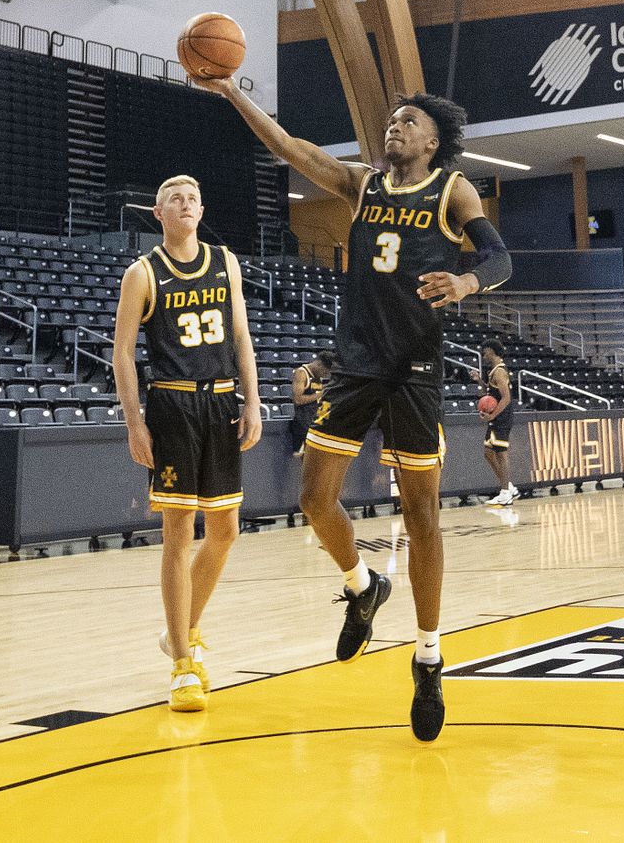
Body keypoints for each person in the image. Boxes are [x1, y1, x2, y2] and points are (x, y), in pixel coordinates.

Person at [197, 78, 512, 742]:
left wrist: (465, 279)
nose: (394, 127)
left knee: (421, 514)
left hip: (416, 369)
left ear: (432, 140)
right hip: (358, 363)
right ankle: (363, 585)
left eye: (408, 122)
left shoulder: (452, 190)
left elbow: (499, 255)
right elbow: (286, 145)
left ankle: (428, 657)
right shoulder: (361, 184)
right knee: (315, 500)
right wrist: (230, 91)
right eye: (390, 120)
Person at [111, 175, 263, 713]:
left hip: (222, 401)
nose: (187, 204)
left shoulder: (226, 261)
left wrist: (253, 399)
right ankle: (181, 662)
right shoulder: (142, 273)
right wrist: (135, 422)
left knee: (224, 530)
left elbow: (241, 336)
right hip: (173, 406)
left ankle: (182, 628)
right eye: (176, 198)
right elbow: (123, 353)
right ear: (158, 212)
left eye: (195, 197)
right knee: (177, 533)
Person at [478, 343, 518, 507]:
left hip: (501, 418)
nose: (483, 354)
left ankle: (505, 493)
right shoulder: (494, 371)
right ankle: (508, 487)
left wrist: (492, 415)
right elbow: (490, 393)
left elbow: (506, 398)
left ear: (492, 351)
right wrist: (479, 380)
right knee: (488, 453)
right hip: (496, 418)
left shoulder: (500, 371)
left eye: (485, 351)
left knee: (501, 454)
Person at [288, 352, 332, 455]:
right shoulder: (301, 373)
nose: (325, 375)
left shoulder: (317, 376)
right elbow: (297, 400)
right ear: (319, 365)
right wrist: (320, 394)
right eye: (324, 372)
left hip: (315, 421)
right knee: (305, 458)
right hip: (303, 423)